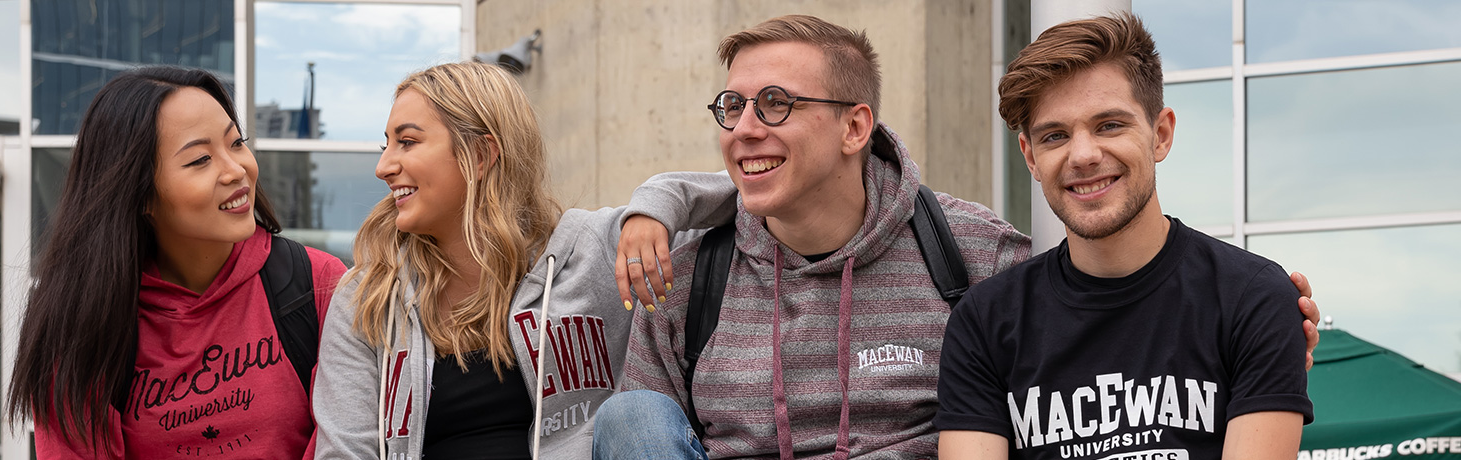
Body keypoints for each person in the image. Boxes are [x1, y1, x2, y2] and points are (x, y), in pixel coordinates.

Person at [594, 14, 1320, 460]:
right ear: (1031, 155)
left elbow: (1109, 321)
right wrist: (653, 202)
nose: (746, 126)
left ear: (856, 127)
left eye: (777, 104)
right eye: (732, 106)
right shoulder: (684, 277)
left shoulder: (976, 259)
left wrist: (1261, 329)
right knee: (629, 417)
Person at [309, 61, 729, 459]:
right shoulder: (368, 298)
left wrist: (654, 207)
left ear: (479, 153)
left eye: (408, 141)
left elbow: (755, 190)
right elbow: (346, 450)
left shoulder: (592, 250)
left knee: (637, 414)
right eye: (387, 145)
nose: (384, 166)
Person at [935, 14, 1311, 459]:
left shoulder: (1253, 299)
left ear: (1161, 134)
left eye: (1109, 125)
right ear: (1030, 157)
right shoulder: (986, 321)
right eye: (1055, 136)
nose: (1084, 155)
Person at [7, 66, 348, 459]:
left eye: (237, 143)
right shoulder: (79, 324)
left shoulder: (317, 285)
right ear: (141, 195)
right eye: (201, 159)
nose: (237, 170)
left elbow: (347, 444)